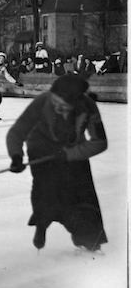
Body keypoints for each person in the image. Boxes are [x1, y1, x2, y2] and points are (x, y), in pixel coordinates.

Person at [6, 74, 108, 251]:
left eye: (63, 105)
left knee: (84, 195)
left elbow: (100, 142)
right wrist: (16, 156)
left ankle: (90, 242)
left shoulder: (88, 107)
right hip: (41, 148)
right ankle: (41, 225)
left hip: (73, 150)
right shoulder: (43, 101)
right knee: (46, 191)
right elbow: (17, 132)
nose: (57, 107)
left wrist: (70, 154)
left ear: (76, 102)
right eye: (55, 102)